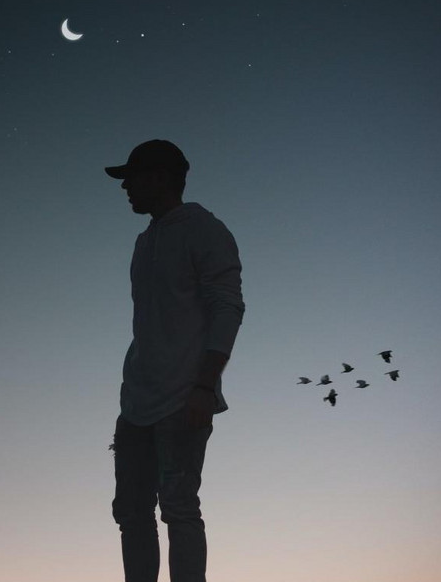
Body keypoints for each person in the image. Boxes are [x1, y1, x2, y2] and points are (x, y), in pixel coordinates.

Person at [106, 139, 245, 582]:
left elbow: (228, 308)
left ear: (160, 178)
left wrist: (204, 386)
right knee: (131, 511)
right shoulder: (144, 242)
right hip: (136, 404)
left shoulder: (203, 229)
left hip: (183, 398)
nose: (125, 187)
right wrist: (130, 399)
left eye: (132, 178)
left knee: (179, 507)